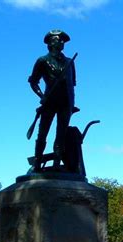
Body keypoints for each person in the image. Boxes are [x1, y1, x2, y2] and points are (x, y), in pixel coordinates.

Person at [28, 30, 77, 171]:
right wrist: (41, 96)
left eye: (63, 40)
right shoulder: (42, 61)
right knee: (42, 133)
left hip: (66, 103)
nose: (61, 42)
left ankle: (57, 164)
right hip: (49, 102)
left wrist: (72, 104)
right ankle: (37, 163)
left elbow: (72, 84)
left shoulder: (70, 62)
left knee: (61, 134)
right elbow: (33, 82)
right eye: (58, 39)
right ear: (50, 43)